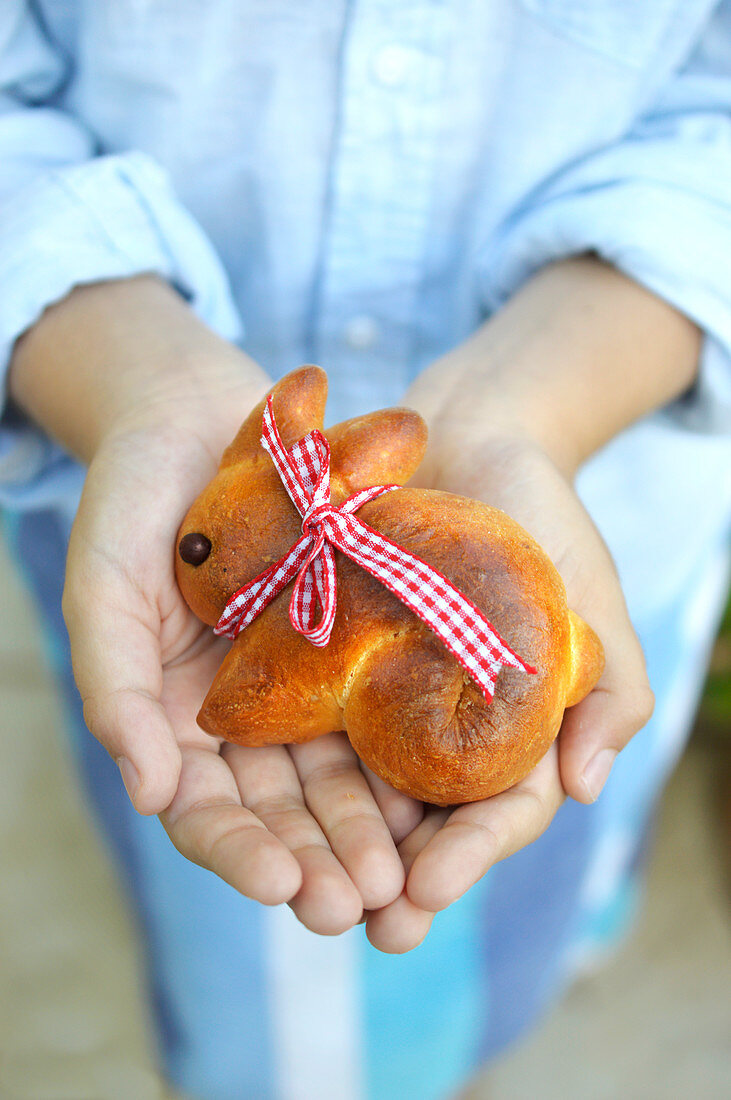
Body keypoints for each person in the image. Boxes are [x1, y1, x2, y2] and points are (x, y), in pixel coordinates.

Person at [2, 3, 731, 1098]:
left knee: (558, 835)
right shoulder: (329, 530)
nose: (204, 557)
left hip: (614, 487)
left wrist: (535, 405)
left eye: (209, 548)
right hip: (97, 393)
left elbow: (241, 702)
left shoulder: (298, 619)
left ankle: (528, 973)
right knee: (272, 987)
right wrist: (131, 379)